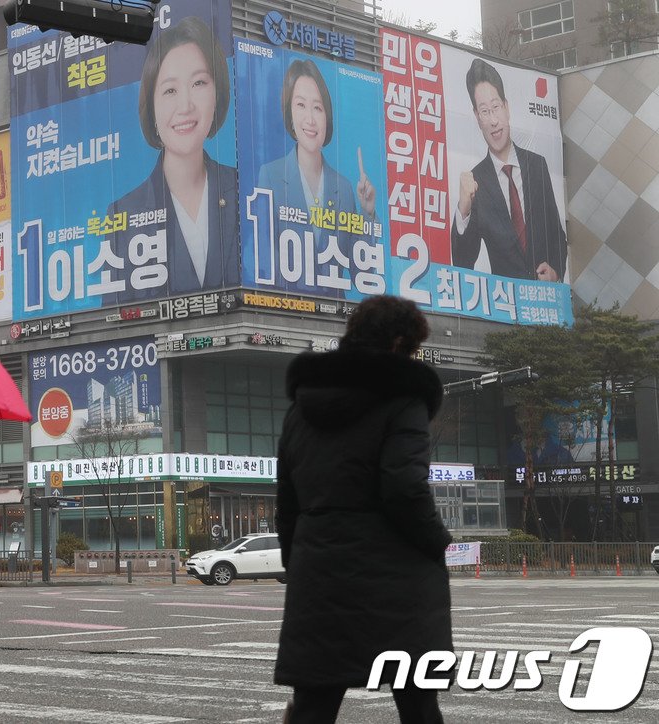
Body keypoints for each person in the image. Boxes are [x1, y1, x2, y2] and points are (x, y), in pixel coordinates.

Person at [273, 295, 452, 723]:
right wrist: (437, 541)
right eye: (410, 348)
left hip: (318, 572)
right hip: (395, 576)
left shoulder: (301, 409)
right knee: (417, 700)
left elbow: (287, 502)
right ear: (397, 343)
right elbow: (404, 488)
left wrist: (298, 559)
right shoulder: (403, 401)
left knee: (314, 703)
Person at [106, 16, 239, 301]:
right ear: (151, 108)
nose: (185, 106)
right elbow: (117, 319)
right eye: (169, 90)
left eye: (199, 83)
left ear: (217, 94)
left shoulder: (244, 190)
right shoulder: (122, 215)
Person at [256, 59, 376, 296]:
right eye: (300, 105)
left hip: (335, 322)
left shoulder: (343, 187)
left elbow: (364, 272)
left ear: (327, 117)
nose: (310, 119)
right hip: (284, 315)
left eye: (318, 108)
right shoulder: (270, 176)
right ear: (289, 113)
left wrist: (368, 214)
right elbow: (263, 259)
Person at [451, 58, 567, 282]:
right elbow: (463, 261)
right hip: (504, 305)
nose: (493, 120)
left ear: (507, 107)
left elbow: (556, 234)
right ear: (477, 117)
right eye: (485, 111)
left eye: (496, 107)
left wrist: (556, 273)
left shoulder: (537, 165)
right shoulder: (476, 182)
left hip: (543, 302)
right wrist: (463, 208)